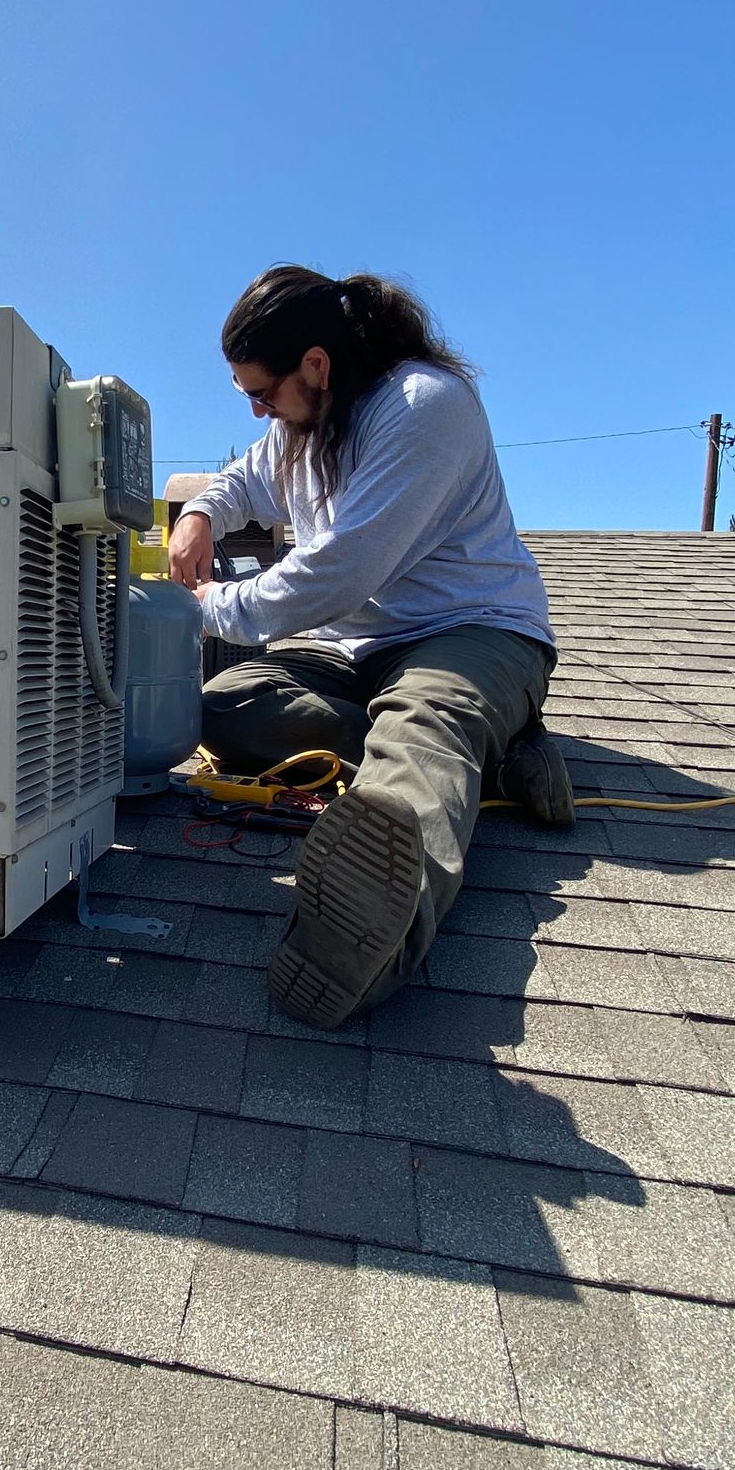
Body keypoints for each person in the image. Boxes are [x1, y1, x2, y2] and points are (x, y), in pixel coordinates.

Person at [169, 265, 571, 1028]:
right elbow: (240, 484)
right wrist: (199, 515)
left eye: (262, 391)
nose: (257, 409)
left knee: (424, 724)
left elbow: (339, 574)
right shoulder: (295, 429)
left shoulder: (425, 407)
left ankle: (363, 951)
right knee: (220, 710)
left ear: (317, 366)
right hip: (356, 656)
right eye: (243, 395)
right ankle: (495, 750)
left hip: (472, 633)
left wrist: (207, 609)